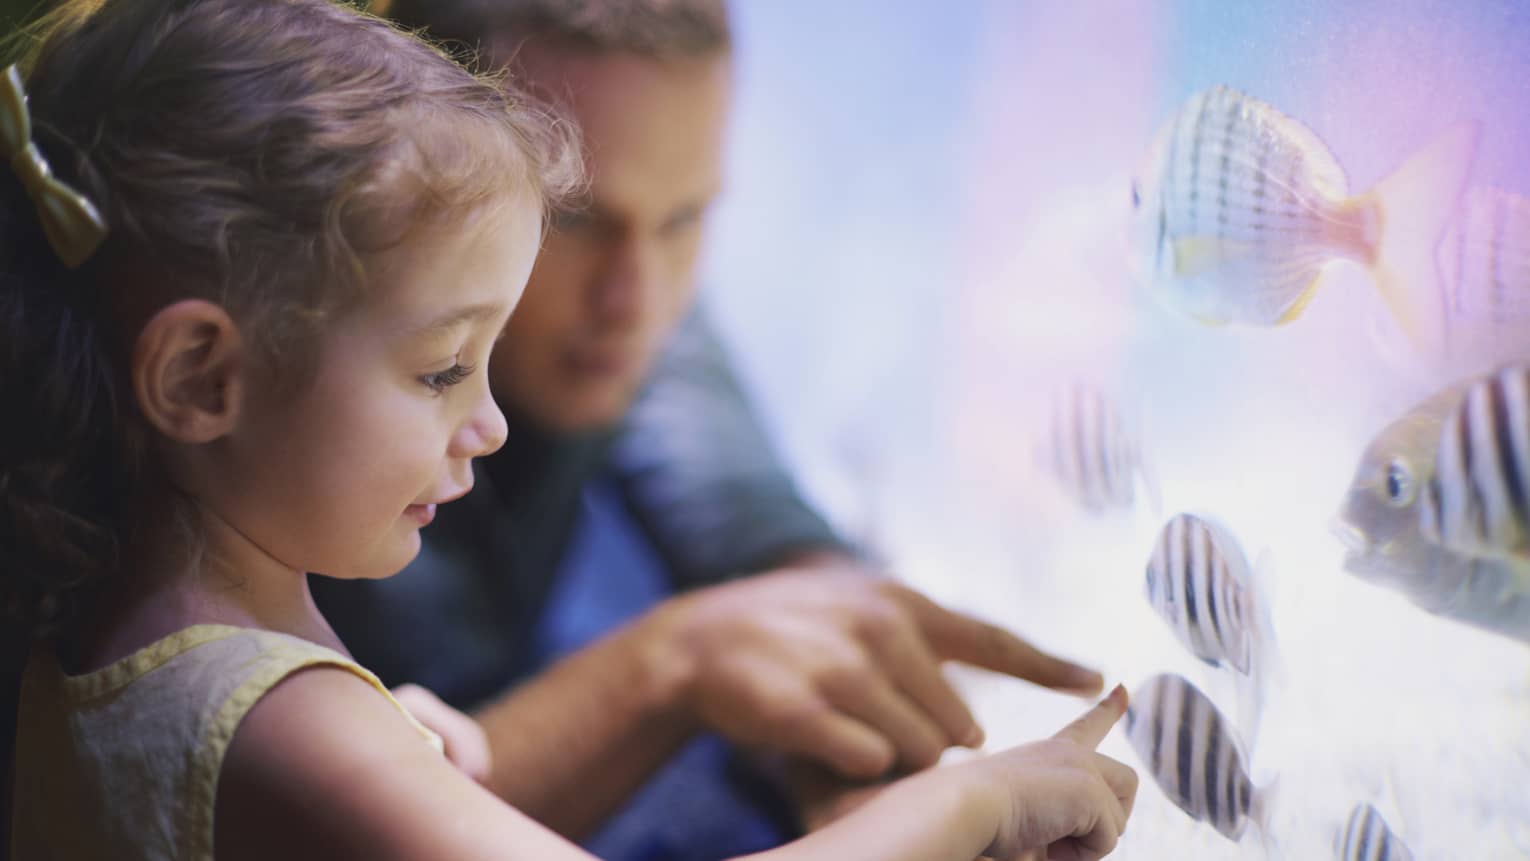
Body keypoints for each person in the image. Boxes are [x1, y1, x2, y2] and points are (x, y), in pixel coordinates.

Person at [1, 1, 1141, 859]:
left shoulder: (110, 623)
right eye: (443, 367)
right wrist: (968, 800)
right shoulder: (278, 722)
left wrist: (440, 753)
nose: (486, 422)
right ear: (202, 377)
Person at [312, 1, 1111, 856]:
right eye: (576, 220)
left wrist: (855, 747)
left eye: (683, 221)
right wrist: (675, 664)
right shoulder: (305, 395)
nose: (637, 301)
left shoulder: (621, 320)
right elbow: (317, 826)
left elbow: (758, 523)